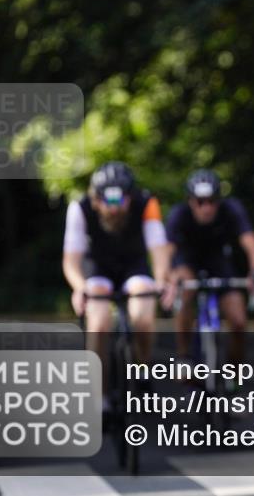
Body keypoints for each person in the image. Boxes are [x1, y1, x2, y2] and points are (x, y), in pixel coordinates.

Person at [62, 161, 171, 379]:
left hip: (134, 264)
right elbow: (71, 260)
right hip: (97, 268)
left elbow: (159, 248)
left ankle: (143, 367)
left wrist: (161, 280)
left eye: (119, 200)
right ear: (96, 199)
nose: (113, 207)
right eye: (107, 200)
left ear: (130, 197)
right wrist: (79, 287)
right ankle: (99, 395)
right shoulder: (79, 208)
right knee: (99, 322)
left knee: (143, 314)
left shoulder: (146, 203)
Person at [165, 169, 254, 373]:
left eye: (212, 201)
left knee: (238, 321)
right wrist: (169, 278)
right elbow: (166, 253)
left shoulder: (231, 210)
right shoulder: (179, 214)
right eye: (200, 202)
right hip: (188, 263)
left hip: (220, 264)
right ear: (191, 201)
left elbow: (251, 243)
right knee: (185, 287)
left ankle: (234, 372)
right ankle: (184, 356)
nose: (206, 208)